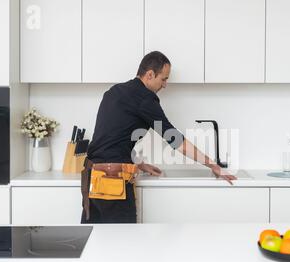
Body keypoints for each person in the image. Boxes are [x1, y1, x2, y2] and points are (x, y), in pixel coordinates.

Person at [81, 51, 237, 224]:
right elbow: (176, 140)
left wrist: (139, 164)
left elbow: (110, 139)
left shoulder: (114, 91)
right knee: (123, 244)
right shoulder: (145, 99)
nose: (165, 85)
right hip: (112, 180)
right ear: (149, 75)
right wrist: (214, 166)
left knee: (94, 241)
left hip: (92, 177)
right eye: (163, 79)